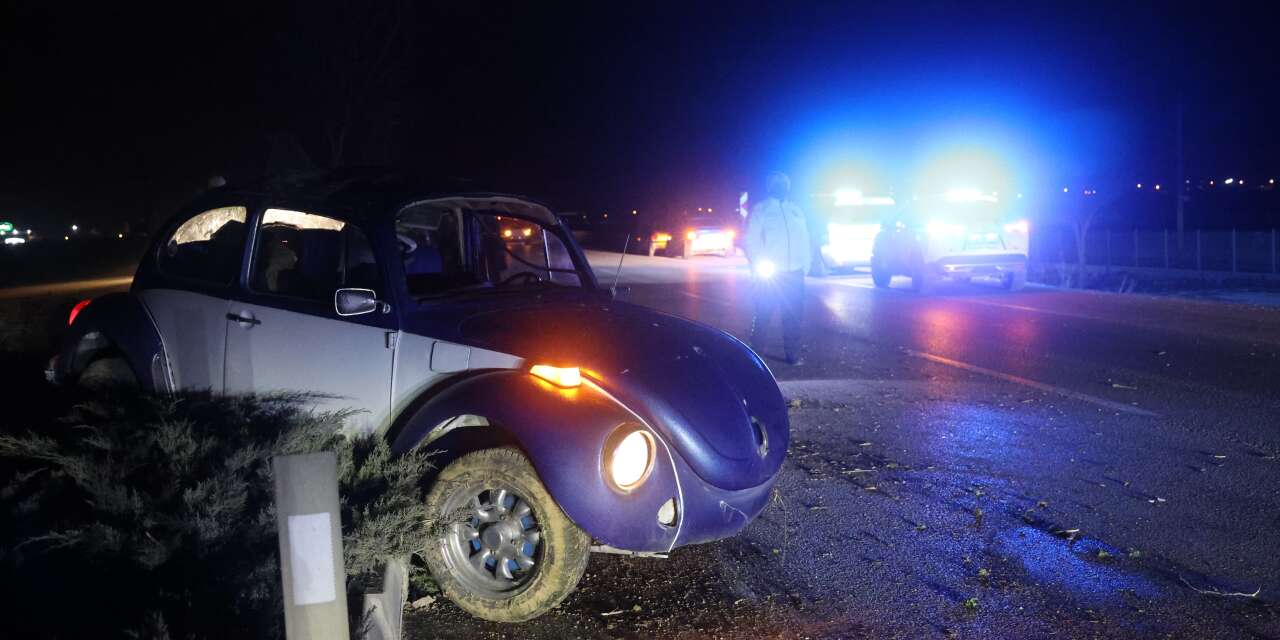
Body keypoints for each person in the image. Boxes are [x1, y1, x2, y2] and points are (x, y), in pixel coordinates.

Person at [743, 171, 809, 365]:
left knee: (793, 317)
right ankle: (755, 356)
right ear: (770, 187)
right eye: (777, 183)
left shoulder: (795, 210)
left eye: (784, 184)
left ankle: (792, 355)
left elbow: (805, 238)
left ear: (788, 187)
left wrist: (805, 265)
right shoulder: (761, 210)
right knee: (764, 315)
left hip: (795, 273)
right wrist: (758, 264)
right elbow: (751, 240)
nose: (781, 187)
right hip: (771, 274)